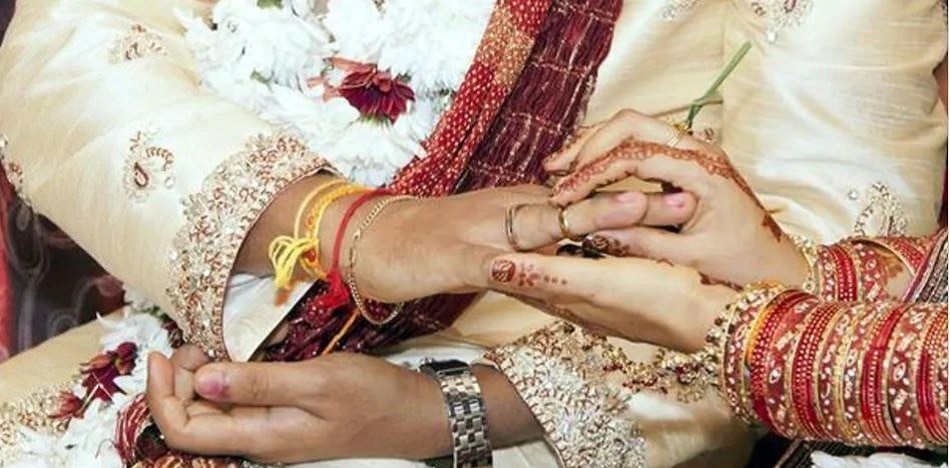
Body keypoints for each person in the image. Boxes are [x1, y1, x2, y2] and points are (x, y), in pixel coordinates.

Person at [1, 0, 946, 467]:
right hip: (195, 301)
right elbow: (68, 46)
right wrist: (348, 229)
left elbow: (830, 276)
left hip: (541, 405)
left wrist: (444, 411)